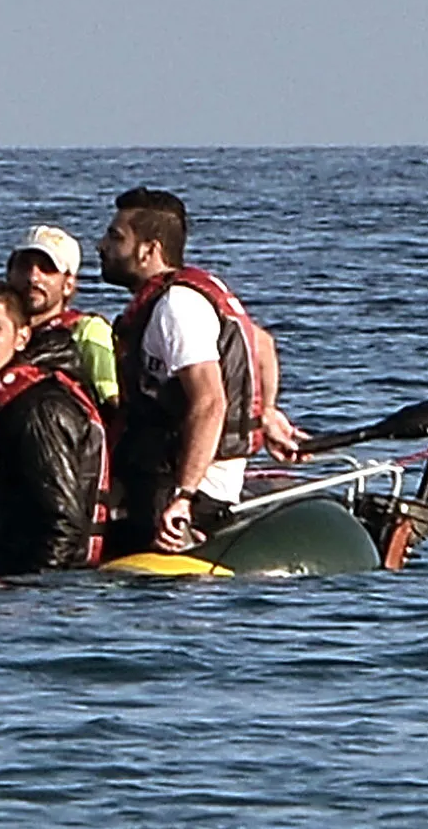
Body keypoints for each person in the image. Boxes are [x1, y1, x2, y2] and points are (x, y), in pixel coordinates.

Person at [98, 187, 304, 555]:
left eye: (115, 237)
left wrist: (184, 497)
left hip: (189, 491)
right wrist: (266, 411)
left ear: (148, 249)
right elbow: (262, 345)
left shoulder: (176, 307)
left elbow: (209, 402)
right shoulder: (192, 293)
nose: (101, 246)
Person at [0, 280, 110, 573]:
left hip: (42, 576)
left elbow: (63, 524)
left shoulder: (41, 409)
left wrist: (24, 589)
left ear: (22, 337)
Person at [4, 224, 119, 411]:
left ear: (68, 284)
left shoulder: (88, 331)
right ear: (9, 274)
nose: (33, 277)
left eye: (47, 268)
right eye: (24, 266)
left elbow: (112, 401)